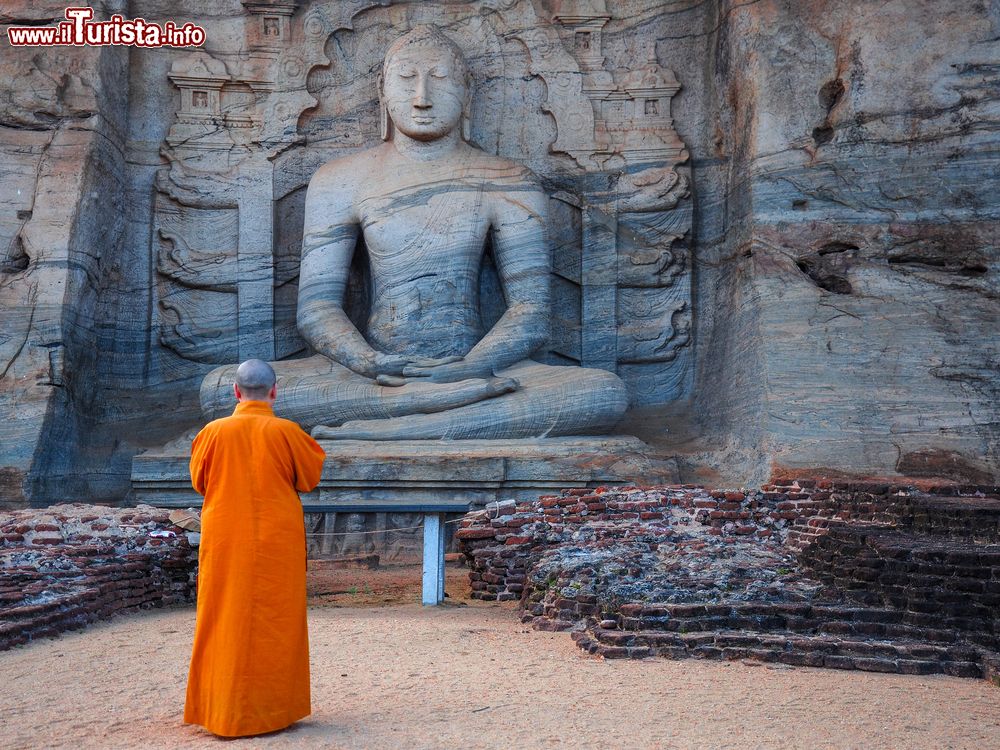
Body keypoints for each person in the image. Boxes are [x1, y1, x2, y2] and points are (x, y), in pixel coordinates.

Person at [199, 24, 628, 440]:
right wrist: (367, 361)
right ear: (383, 94)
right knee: (221, 390)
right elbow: (316, 310)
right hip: (374, 376)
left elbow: (531, 314)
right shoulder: (339, 179)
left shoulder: (507, 179)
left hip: (480, 367)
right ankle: (440, 410)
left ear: (467, 96)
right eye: (406, 80)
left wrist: (469, 367)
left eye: (439, 80)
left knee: (602, 393)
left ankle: (401, 424)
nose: (422, 97)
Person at [184, 359, 326, 738]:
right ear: (274, 391)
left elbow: (200, 482)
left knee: (222, 616)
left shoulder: (212, 432)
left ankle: (223, 711)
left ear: (235, 391)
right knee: (277, 620)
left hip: (225, 536)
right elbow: (310, 479)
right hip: (276, 542)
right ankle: (274, 712)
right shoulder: (288, 432)